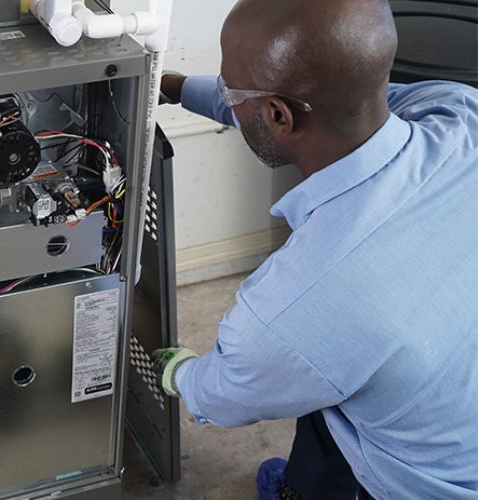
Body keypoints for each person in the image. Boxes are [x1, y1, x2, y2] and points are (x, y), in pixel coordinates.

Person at [153, 0, 478, 498]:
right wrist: (175, 88)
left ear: (277, 115)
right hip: (448, 385)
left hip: (430, 485)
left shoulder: (291, 311)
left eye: (228, 89)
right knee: (324, 373)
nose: (226, 97)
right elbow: (319, 105)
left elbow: (222, 395)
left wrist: (180, 374)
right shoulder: (457, 111)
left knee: (312, 370)